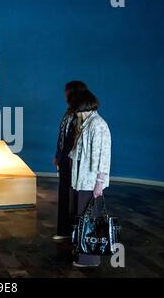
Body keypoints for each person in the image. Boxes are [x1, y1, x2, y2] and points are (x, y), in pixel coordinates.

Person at [69, 90, 111, 268]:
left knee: (90, 220)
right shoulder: (89, 123)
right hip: (83, 180)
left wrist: (99, 183)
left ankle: (90, 259)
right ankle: (83, 252)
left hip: (91, 182)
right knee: (83, 218)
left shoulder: (98, 125)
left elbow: (103, 155)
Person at [52, 81, 87, 240]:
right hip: (65, 158)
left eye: (66, 91)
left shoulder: (82, 113)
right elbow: (62, 137)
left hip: (76, 160)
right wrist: (58, 155)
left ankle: (75, 232)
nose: (64, 94)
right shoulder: (68, 112)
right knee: (64, 193)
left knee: (75, 196)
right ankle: (63, 230)